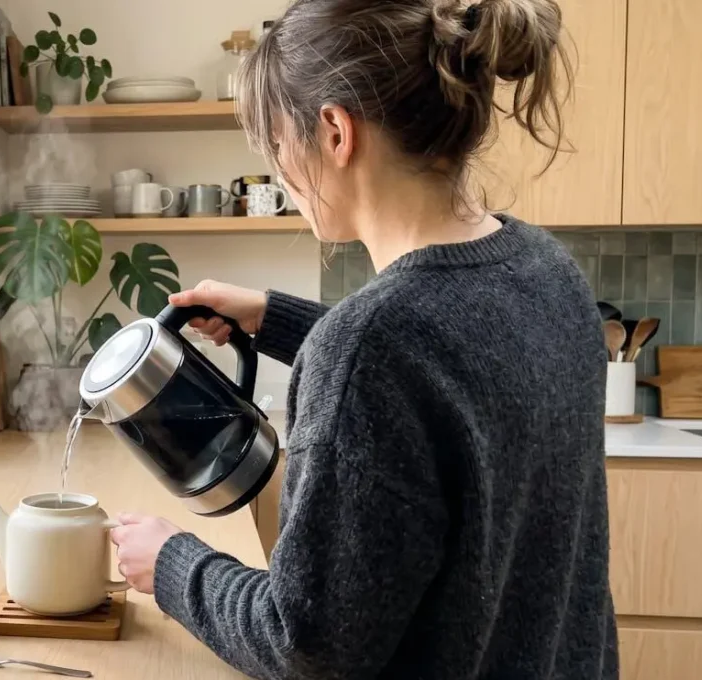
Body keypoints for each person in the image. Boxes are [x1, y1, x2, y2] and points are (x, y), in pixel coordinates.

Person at [108, 0, 616, 677]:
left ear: (335, 132)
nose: (282, 174)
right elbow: (452, 374)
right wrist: (275, 317)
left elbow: (309, 647)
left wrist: (173, 564)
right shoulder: (549, 271)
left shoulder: (371, 346)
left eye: (276, 145)